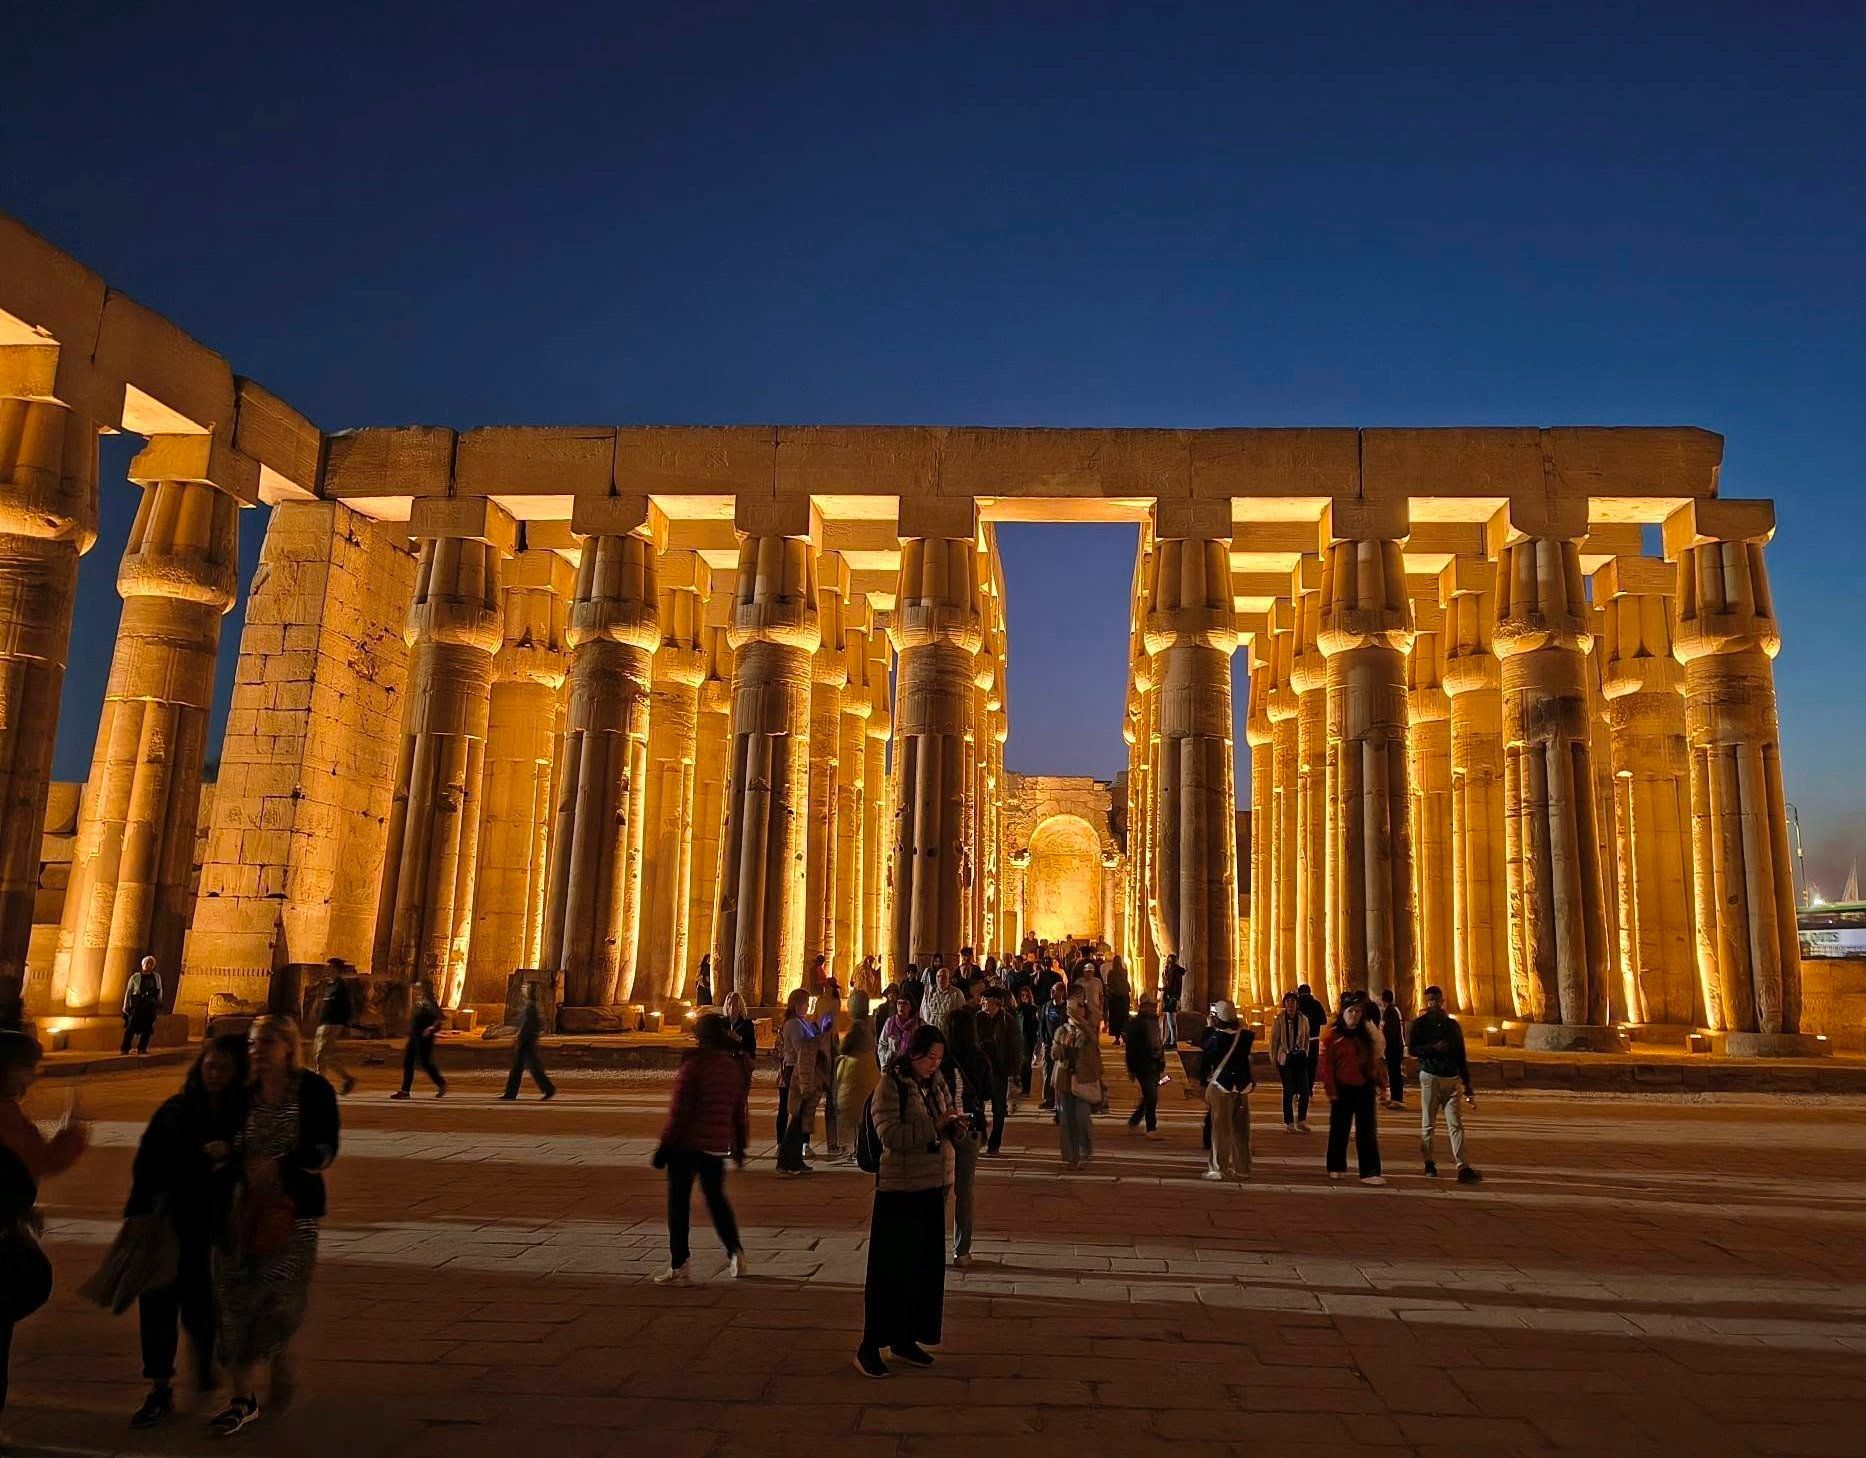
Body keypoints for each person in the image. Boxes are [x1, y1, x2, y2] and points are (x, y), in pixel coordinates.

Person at [210, 1015, 339, 1436]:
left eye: (266, 1042)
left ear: (288, 1046)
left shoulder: (313, 1090)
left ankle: (278, 1355)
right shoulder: (240, 1094)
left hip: (291, 1211)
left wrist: (282, 1165)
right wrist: (227, 1155)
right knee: (233, 1300)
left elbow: (325, 1147)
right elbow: (223, 1137)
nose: (257, 1051)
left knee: (280, 1300)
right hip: (240, 1210)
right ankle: (242, 1397)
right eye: (252, 1043)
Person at [124, 1033, 247, 1428]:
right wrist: (139, 1215)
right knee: (158, 1302)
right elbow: (146, 1165)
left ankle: (204, 1356)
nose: (215, 1074)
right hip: (168, 1222)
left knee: (202, 1302)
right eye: (210, 1066)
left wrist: (231, 1156)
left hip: (212, 1227)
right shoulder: (176, 1110)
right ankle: (159, 1384)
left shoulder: (243, 1117)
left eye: (224, 1068)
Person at [855, 1026, 964, 1379]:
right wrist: (935, 1126)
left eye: (939, 1058)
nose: (935, 1064)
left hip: (932, 1186)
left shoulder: (936, 1084)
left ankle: (906, 1338)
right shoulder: (891, 1085)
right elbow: (891, 1135)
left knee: (922, 1269)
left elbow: (943, 1121)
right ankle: (870, 1346)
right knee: (890, 1271)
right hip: (900, 1191)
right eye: (930, 1057)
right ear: (913, 1052)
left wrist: (955, 1127)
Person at [0, 1030, 88, 1438]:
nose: (31, 1078)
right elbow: (41, 1160)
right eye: (26, 1069)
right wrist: (74, 1130)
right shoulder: (6, 1118)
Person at [652, 1014, 748, 1283]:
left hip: (686, 1145)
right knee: (717, 1201)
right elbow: (738, 1113)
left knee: (678, 1204)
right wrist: (739, 1146)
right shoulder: (732, 1068)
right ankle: (735, 1251)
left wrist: (665, 1145)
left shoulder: (693, 1067)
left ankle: (679, 1263)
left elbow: (680, 1112)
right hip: (716, 1145)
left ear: (699, 1038)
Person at [1408, 985, 1482, 1183]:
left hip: (1451, 1078)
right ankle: (1429, 1162)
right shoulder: (1420, 1024)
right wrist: (1433, 1048)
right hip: (1430, 1076)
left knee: (1456, 1124)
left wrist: (1467, 1085)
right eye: (1430, 1000)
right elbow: (1413, 1050)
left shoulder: (1452, 1026)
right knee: (1428, 1124)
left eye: (1436, 1000)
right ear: (1426, 1002)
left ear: (1442, 1001)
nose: (1433, 1003)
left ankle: (1462, 1167)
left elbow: (1460, 1055)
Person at [1319, 994, 1385, 1185]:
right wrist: (1331, 1089)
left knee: (1367, 1130)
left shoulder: (1366, 1035)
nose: (1355, 1015)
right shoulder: (1333, 1036)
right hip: (1342, 1087)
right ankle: (1336, 1165)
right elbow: (1326, 1066)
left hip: (1365, 1086)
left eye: (1358, 1011)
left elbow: (1375, 1060)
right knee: (1339, 1129)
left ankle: (1370, 1171)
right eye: (1351, 1011)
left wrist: (1382, 1085)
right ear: (1343, 1012)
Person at [1198, 1001, 1255, 1182]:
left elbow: (1205, 1050)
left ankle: (1218, 1168)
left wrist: (1210, 1028)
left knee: (1220, 1131)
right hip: (1242, 1088)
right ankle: (1243, 1168)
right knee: (1241, 1132)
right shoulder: (1245, 1037)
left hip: (1222, 1087)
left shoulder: (1217, 1039)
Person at [1050, 994, 1104, 1170]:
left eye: (1080, 1007)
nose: (1076, 1010)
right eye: (1073, 1008)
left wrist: (1080, 1021)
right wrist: (1063, 1048)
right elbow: (1054, 1054)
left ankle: (1086, 1147)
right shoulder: (1062, 1031)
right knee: (1068, 1121)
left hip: (1083, 1081)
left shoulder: (1089, 1029)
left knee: (1082, 1118)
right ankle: (1072, 1157)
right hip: (1066, 1080)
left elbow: (1093, 1039)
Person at [776, 989, 827, 1174]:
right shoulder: (794, 1025)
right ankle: (785, 1160)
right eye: (805, 1003)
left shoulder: (802, 1022)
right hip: (797, 1071)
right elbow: (803, 1049)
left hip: (802, 1069)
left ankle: (795, 1159)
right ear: (796, 1004)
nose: (807, 1006)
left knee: (801, 1117)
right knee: (797, 1117)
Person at [834, 990, 880, 1165]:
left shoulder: (857, 1027)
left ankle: (857, 1150)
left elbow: (844, 1048)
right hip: (869, 1069)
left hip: (855, 1073)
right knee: (863, 1114)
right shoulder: (870, 1022)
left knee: (855, 1114)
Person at [975, 988, 1023, 1155]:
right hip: (980, 1070)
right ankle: (979, 1136)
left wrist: (1014, 1071)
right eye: (983, 1001)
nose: (983, 1004)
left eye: (986, 1001)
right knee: (977, 1106)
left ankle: (994, 1144)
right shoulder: (978, 1018)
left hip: (998, 1069)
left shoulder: (1007, 1021)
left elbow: (1015, 1046)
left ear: (996, 1003)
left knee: (998, 1108)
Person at [945, 980, 991, 1137]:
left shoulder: (945, 1057)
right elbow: (987, 1090)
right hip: (972, 1113)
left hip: (950, 1116)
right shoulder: (979, 1056)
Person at [500, 980, 556, 1101]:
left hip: (526, 1040)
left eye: (525, 988)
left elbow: (529, 1025)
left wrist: (521, 1038)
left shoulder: (531, 1006)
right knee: (526, 1067)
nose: (523, 989)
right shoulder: (531, 1005)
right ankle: (511, 1093)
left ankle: (512, 1093)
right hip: (527, 1039)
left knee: (525, 1067)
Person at [390, 980, 445, 1100]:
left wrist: (431, 1028)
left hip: (424, 1037)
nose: (416, 990)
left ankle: (441, 1083)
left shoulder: (430, 1002)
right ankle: (405, 1091)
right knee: (408, 1061)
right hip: (415, 1035)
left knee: (424, 1062)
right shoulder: (419, 1001)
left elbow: (439, 1018)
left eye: (418, 988)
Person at [1123, 991, 1166, 1138]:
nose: (1154, 1008)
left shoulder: (1154, 1022)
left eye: (1154, 1005)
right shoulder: (1136, 1024)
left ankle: (1134, 1121)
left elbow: (1158, 1042)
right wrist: (1131, 1068)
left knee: (1149, 1095)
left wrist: (1161, 1060)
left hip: (1154, 1063)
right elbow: (1131, 1049)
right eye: (1151, 1006)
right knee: (1151, 1096)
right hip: (1143, 1065)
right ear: (1143, 1006)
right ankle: (1151, 1128)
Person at [1270, 991, 1313, 1132]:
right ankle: (1289, 1122)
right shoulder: (1279, 1019)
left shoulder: (1303, 1019)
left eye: (1292, 1002)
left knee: (1304, 1091)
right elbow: (1274, 1040)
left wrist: (1304, 1052)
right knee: (1288, 1090)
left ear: (1297, 1004)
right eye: (1287, 1002)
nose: (1290, 1005)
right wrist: (1274, 1058)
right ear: (1284, 1004)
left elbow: (1306, 1037)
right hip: (1285, 1057)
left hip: (1299, 1058)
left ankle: (1301, 1121)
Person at [311, 962, 355, 1096]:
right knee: (323, 1056)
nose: (327, 970)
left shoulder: (341, 986)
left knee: (321, 1056)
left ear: (336, 970)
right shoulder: (329, 985)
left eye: (330, 967)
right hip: (323, 1023)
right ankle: (347, 1078)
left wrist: (346, 1024)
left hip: (333, 1024)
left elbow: (348, 1006)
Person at [1037, 979, 1070, 1110]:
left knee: (1062, 1073)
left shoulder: (1066, 1008)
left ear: (1062, 992)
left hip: (1062, 1045)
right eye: (1052, 990)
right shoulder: (1047, 1006)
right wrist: (1043, 1041)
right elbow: (1042, 1024)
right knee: (1047, 1071)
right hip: (1049, 1044)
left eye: (1055, 990)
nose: (1052, 992)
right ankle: (1048, 1099)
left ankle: (1062, 1100)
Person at [121, 955, 164, 1055]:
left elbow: (159, 989)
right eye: (147, 963)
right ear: (143, 964)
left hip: (150, 1004)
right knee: (131, 1027)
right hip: (138, 1004)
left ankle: (142, 1048)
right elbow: (129, 991)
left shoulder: (156, 976)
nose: (148, 965)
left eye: (151, 963)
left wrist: (159, 1001)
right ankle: (125, 1048)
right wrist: (126, 1005)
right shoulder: (135, 977)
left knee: (147, 1027)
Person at [1296, 982, 1329, 1108]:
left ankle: (1298, 1090)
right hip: (1313, 1039)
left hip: (1299, 1040)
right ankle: (1308, 1090)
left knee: (1299, 1066)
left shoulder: (1296, 1004)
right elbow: (1324, 1020)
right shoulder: (1316, 1004)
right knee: (1311, 1066)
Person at [1013, 984, 1040, 1102]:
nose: (1025, 997)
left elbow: (1036, 1025)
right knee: (1020, 1064)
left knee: (1026, 1064)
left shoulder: (1034, 1009)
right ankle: (1021, 1087)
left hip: (1029, 1039)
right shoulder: (1018, 1009)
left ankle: (1026, 1089)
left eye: (1027, 995)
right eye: (1022, 995)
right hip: (1019, 1039)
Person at [878, 992, 921, 1067]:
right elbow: (882, 1044)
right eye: (899, 1003)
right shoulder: (890, 1022)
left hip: (910, 1066)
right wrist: (884, 1064)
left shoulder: (918, 1024)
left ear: (911, 1006)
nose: (901, 1006)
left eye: (905, 1003)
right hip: (892, 1065)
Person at [1380, 988, 1407, 1108]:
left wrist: (1385, 1045)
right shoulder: (1396, 1009)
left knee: (1394, 1073)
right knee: (1393, 1072)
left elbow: (1389, 1031)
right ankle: (1394, 1097)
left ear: (1383, 1000)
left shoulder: (1390, 1011)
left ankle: (1397, 1099)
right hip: (1396, 1045)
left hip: (1393, 1047)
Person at [1104, 956, 1131, 1045]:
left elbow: (1109, 984)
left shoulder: (1111, 972)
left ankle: (1117, 1038)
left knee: (1115, 1018)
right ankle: (1124, 1034)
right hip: (1124, 997)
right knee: (1124, 1017)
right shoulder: (1124, 971)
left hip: (1115, 998)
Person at [1076, 959, 1106, 1039]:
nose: (1089, 974)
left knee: (1095, 1031)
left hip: (1095, 1010)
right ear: (1084, 972)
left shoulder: (1097, 982)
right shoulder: (1079, 982)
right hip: (1083, 1010)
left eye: (1090, 972)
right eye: (1087, 972)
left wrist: (1101, 1009)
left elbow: (1101, 996)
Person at [1160, 954, 1185, 1042]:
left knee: (1171, 1020)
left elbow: (1170, 986)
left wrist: (1163, 989)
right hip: (1174, 997)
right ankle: (1171, 1039)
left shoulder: (1173, 972)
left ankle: (1173, 1041)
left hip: (1170, 997)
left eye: (1168, 961)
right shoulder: (1176, 971)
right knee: (1171, 1020)